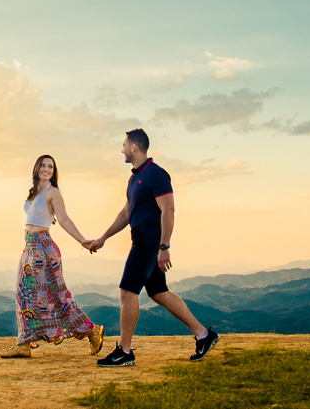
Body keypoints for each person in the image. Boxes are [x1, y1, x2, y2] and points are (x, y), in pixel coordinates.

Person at [85, 129, 219, 366]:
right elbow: (126, 213)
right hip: (143, 242)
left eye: (124, 145)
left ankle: (124, 351)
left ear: (134, 147)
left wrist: (164, 247)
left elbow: (169, 210)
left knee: (128, 292)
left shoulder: (156, 174)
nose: (122, 150)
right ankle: (204, 335)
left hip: (149, 243)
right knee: (159, 293)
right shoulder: (135, 178)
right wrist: (104, 237)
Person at [0, 154, 106, 358]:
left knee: (57, 296)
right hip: (29, 248)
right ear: (37, 168)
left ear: (53, 171)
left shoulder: (53, 192)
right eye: (43, 165)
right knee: (23, 293)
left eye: (50, 166)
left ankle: (91, 329)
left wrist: (82, 240)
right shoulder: (34, 193)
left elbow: (64, 219)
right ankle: (24, 343)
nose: (46, 169)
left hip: (43, 249)